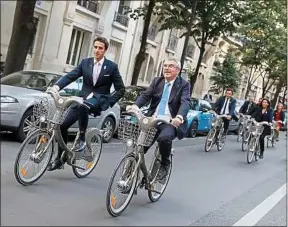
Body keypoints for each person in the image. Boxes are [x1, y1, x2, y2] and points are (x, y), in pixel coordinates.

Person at [47, 36, 125, 171]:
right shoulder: (85, 63)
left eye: (100, 48)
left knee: (84, 106)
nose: (97, 50)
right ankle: (61, 157)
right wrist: (56, 87)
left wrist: (108, 102)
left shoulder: (111, 67)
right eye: (95, 47)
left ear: (105, 50)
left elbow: (121, 89)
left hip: (98, 101)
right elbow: (70, 76)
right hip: (82, 99)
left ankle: (82, 138)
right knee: (62, 126)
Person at [131, 58, 190, 182]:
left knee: (164, 138)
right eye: (165, 66)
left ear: (177, 70)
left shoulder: (184, 85)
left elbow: (185, 102)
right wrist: (135, 106)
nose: (166, 68)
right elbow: (146, 95)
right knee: (140, 147)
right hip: (153, 119)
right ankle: (131, 172)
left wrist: (179, 117)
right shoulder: (157, 81)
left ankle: (165, 163)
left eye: (170, 66)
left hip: (170, 121)